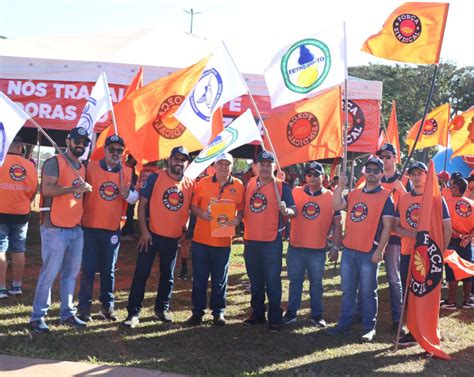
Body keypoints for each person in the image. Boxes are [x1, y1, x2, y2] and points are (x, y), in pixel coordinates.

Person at [29, 127, 92, 333]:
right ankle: (37, 317)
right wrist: (75, 189)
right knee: (49, 273)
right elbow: (47, 189)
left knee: (71, 274)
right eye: (77, 141)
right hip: (54, 228)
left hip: (75, 228)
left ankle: (67, 313)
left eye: (84, 142)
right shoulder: (54, 162)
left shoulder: (81, 167)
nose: (80, 145)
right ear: (68, 140)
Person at [122, 146, 193, 328]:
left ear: (187, 163)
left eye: (183, 160)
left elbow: (189, 208)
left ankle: (161, 309)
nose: (179, 163)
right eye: (176, 159)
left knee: (167, 276)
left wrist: (184, 230)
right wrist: (144, 232)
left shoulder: (190, 183)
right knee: (141, 274)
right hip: (151, 236)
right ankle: (133, 313)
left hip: (172, 238)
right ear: (169, 160)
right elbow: (142, 205)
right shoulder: (156, 177)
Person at [326, 157, 394, 342]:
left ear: (381, 174)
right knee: (348, 290)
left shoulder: (387, 196)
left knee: (368, 291)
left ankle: (369, 327)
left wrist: (380, 250)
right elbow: (336, 206)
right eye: (369, 170)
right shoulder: (354, 193)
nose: (371, 173)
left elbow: (388, 226)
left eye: (376, 170)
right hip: (349, 250)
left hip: (369, 251)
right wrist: (340, 186)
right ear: (363, 172)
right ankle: (344, 324)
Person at [77, 135, 139, 322]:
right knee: (88, 269)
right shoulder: (91, 167)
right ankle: (84, 308)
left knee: (108, 270)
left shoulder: (127, 172)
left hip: (112, 228)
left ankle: (107, 307)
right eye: (111, 149)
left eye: (119, 150)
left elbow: (135, 198)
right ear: (104, 151)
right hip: (90, 226)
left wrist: (128, 194)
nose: (115, 153)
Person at [394, 161, 451, 345]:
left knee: (429, 292)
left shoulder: (437, 198)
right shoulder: (403, 198)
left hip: (430, 256)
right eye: (414, 174)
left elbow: (447, 228)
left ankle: (430, 327)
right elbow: (395, 227)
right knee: (410, 292)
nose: (417, 177)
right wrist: (412, 234)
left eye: (420, 173)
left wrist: (440, 251)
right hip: (408, 252)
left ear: (427, 176)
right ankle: (412, 330)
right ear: (409, 177)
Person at [186, 153, 245, 326]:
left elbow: (241, 208)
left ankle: (218, 312)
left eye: (227, 164)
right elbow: (193, 206)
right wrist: (202, 213)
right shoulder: (202, 183)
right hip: (201, 240)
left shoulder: (239, 185)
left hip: (223, 241)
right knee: (200, 278)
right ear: (214, 165)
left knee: (220, 279)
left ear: (231, 167)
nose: (223, 167)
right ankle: (197, 312)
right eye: (220, 163)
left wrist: (238, 218)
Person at [282, 161, 342, 327]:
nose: (313, 177)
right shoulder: (296, 191)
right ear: (305, 177)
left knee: (316, 284)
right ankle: (291, 313)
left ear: (323, 177)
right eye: (309, 174)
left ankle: (316, 316)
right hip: (296, 247)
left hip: (317, 250)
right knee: (295, 282)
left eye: (316, 174)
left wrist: (336, 247)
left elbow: (338, 224)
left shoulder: (331, 196)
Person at [242, 151, 296, 332]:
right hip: (251, 240)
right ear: (255, 167)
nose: (265, 167)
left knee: (272, 281)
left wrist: (286, 210)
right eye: (262, 164)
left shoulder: (281, 187)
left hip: (271, 241)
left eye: (268, 164)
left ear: (274, 167)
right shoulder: (249, 183)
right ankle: (257, 313)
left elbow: (294, 211)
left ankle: (275, 318)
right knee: (255, 280)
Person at [373, 143, 411, 332]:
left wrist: (403, 192)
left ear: (395, 158)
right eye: (382, 156)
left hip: (396, 236)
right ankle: (361, 313)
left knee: (394, 279)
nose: (384, 160)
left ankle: (398, 320)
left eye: (388, 156)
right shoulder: (374, 177)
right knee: (367, 276)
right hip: (374, 234)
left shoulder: (405, 179)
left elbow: (415, 205)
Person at [0, 137, 37, 298]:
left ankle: (1, 288)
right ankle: (16, 286)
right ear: (21, 147)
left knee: (1, 249)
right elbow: (33, 190)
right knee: (18, 249)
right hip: (21, 213)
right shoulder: (30, 165)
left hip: (1, 211)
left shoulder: (1, 160)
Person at [441, 177, 474, 309]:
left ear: (456, 189)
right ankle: (467, 300)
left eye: (452, 186)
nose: (450, 188)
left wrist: (460, 236)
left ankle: (451, 301)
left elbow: (445, 225)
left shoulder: (447, 203)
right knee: (467, 270)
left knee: (451, 270)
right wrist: (468, 238)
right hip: (466, 242)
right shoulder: (472, 204)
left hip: (452, 240)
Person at [121, 155, 138, 241]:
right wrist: (133, 187)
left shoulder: (132, 167)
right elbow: (128, 181)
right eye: (135, 158)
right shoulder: (126, 167)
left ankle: (130, 232)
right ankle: (124, 233)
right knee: (127, 213)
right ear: (131, 158)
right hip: (127, 195)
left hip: (132, 194)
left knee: (130, 213)